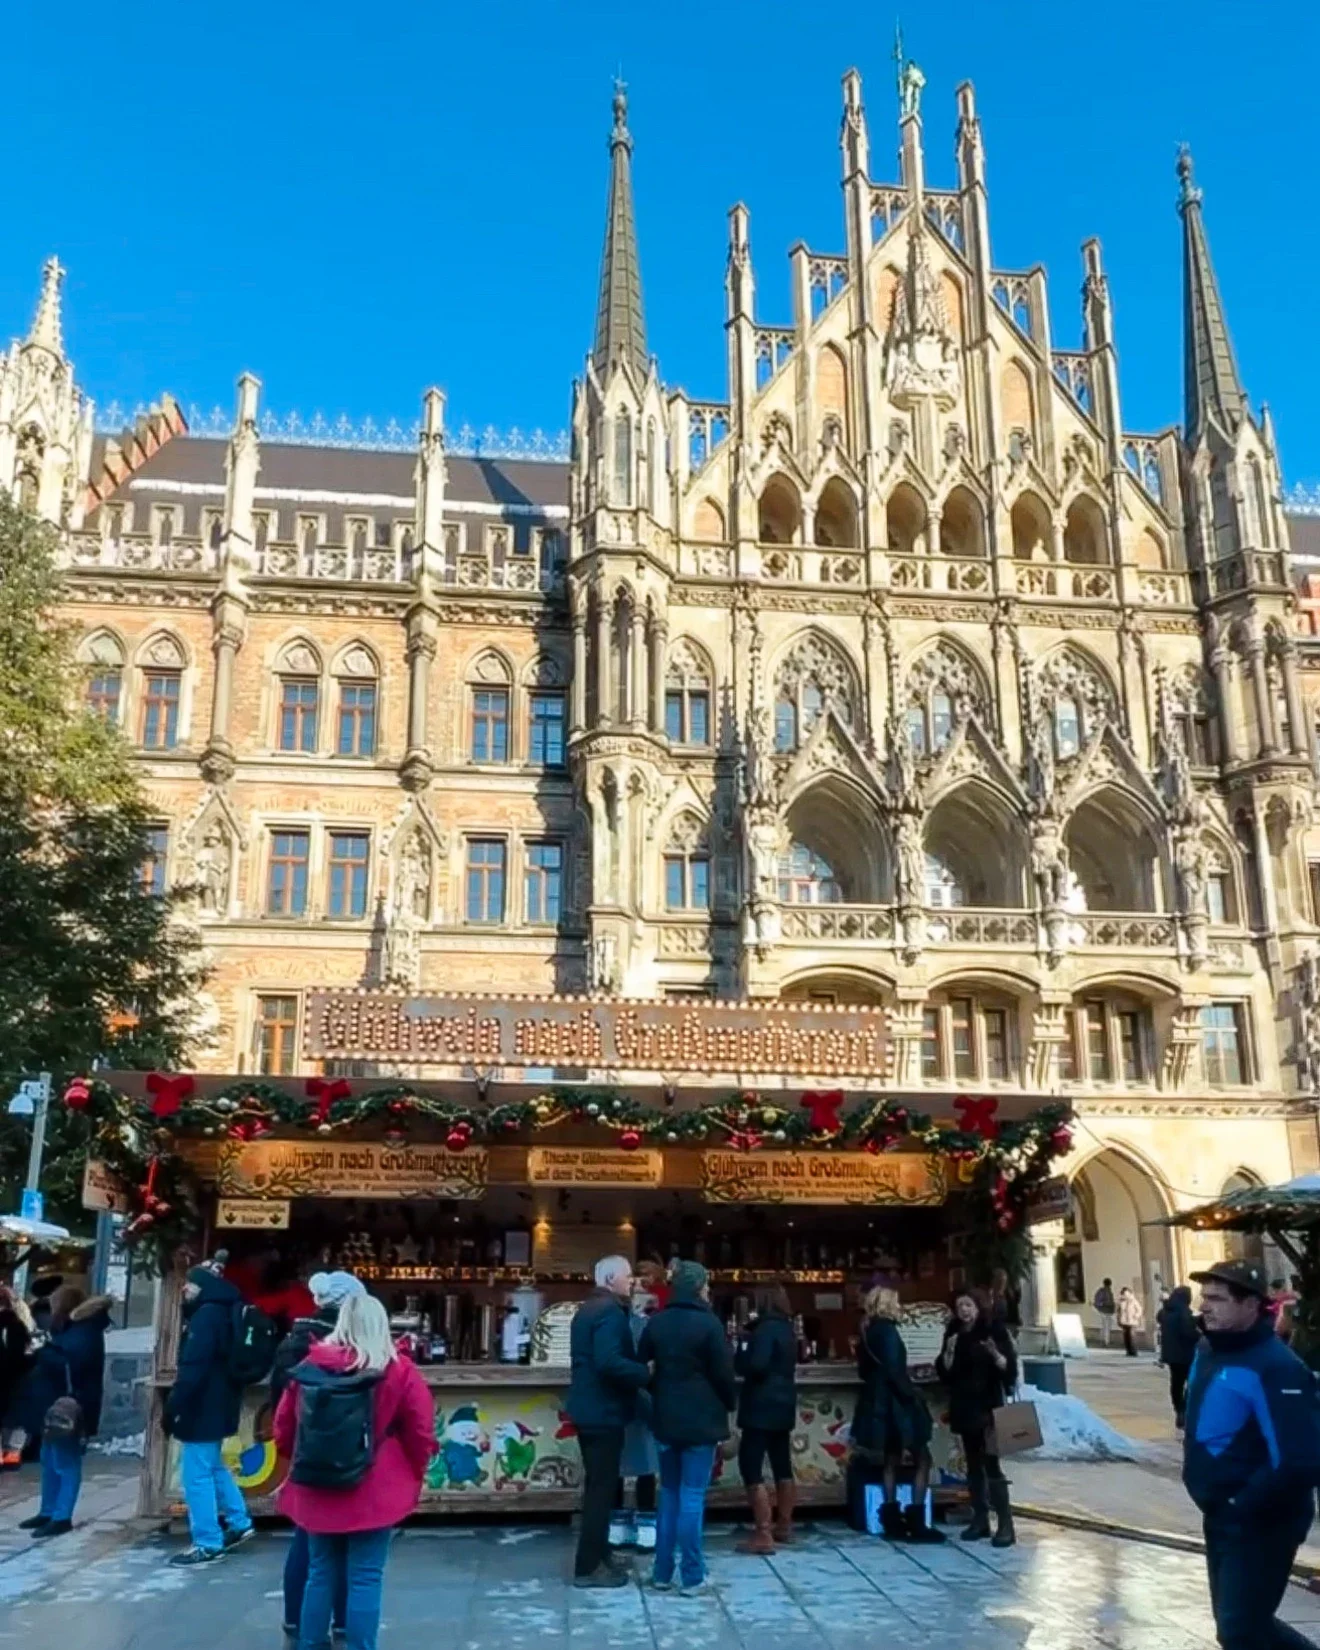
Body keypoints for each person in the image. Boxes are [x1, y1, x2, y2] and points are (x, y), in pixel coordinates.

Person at [274, 1293, 435, 1650]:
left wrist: (300, 1461)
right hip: (374, 1486)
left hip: (316, 1484)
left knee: (320, 1572)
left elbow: (284, 1427)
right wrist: (414, 1471)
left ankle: (310, 1644)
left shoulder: (310, 1366)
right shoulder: (397, 1369)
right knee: (365, 1576)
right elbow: (421, 1430)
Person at [1183, 1259, 1320, 1650]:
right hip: (1220, 1514)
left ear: (1250, 1305)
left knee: (1241, 1629)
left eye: (1217, 1299)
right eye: (1204, 1297)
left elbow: (1300, 1459)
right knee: (1238, 1628)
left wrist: (1239, 1503)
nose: (1205, 1306)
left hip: (1263, 1519)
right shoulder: (1208, 1349)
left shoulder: (1278, 1367)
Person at [272, 1272, 366, 1638]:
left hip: (304, 1455)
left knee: (308, 1538)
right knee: (343, 1544)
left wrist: (291, 1449)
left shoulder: (292, 1342)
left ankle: (297, 1619)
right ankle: (342, 1621)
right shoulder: (350, 1348)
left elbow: (281, 1410)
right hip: (344, 1456)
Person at [639, 1260, 737, 1595]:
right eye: (706, 1285)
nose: (708, 1290)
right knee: (692, 1495)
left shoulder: (657, 1322)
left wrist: (657, 1390)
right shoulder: (709, 1324)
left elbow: (641, 1364)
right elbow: (723, 1374)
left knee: (669, 1494)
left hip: (666, 1419)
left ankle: (662, 1571)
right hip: (702, 1421)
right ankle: (692, 1576)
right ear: (698, 1287)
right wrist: (730, 1404)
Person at [565, 1255, 649, 1589]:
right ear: (612, 1279)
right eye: (628, 1277)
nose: (632, 1282)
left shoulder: (588, 1309)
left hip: (589, 1409)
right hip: (603, 1411)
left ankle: (600, 1554)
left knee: (599, 1486)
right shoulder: (609, 1313)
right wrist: (644, 1372)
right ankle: (588, 1567)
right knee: (601, 1490)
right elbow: (609, 1361)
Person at [165, 1261, 255, 1566]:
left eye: (189, 1284)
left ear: (201, 1286)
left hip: (201, 1406)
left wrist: (175, 1404)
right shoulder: (228, 1310)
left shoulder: (205, 1317)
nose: (185, 1289)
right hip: (222, 1402)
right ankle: (239, 1521)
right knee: (214, 1466)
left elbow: (193, 1366)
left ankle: (207, 1541)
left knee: (196, 1475)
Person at [851, 1284, 944, 1544]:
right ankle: (917, 1520)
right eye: (896, 1302)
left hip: (877, 1401)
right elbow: (895, 1370)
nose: (899, 1306)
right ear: (888, 1304)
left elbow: (864, 1371)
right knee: (922, 1458)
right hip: (896, 1403)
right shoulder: (888, 1330)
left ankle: (891, 1519)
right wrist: (912, 1394)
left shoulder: (867, 1330)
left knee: (890, 1459)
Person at [17, 1286, 112, 1538]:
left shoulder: (85, 1330)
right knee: (49, 1459)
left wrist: (43, 1352)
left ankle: (61, 1516)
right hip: (54, 1403)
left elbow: (71, 1362)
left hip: (71, 1405)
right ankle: (48, 1510)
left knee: (65, 1461)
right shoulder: (72, 1328)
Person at [938, 1288, 1017, 1548]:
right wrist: (948, 1353)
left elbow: (1010, 1369)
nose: (963, 1310)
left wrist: (995, 1355)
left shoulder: (993, 1329)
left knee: (991, 1463)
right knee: (972, 1464)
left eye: (968, 1305)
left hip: (989, 1406)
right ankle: (980, 1519)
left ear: (978, 1307)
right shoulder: (954, 1331)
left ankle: (1005, 1524)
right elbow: (945, 1372)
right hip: (964, 1405)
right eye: (959, 1306)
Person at [734, 1284, 798, 1553]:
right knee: (782, 1463)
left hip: (760, 1405)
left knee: (751, 1464)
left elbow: (755, 1366)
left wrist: (742, 1347)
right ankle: (784, 1525)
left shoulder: (763, 1330)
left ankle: (763, 1533)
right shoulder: (787, 1328)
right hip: (784, 1402)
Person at [612, 1273, 661, 1552]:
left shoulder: (609, 1325)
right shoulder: (648, 1326)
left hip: (616, 1402)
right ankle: (646, 1527)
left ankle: (618, 1528)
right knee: (646, 1464)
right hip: (643, 1401)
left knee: (618, 1465)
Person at [1156, 1285, 1200, 1431]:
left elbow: (1160, 1319)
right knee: (1191, 1382)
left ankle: (1178, 1409)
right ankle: (1184, 1409)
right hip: (1186, 1354)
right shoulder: (1183, 1312)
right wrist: (1199, 1335)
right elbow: (1188, 1333)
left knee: (1176, 1383)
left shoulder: (1165, 1311)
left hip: (1171, 1354)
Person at [0, 1284, 34, 1468]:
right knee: (15, 1419)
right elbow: (23, 1354)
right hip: (16, 1379)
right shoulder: (17, 1325)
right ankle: (12, 1456)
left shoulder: (11, 1326)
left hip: (8, 1377)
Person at [1117, 1286, 1144, 1357]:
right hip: (1124, 1321)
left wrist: (1136, 1315)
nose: (1125, 1295)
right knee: (1126, 1337)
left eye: (1127, 1293)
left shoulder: (1134, 1301)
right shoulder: (1121, 1302)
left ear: (1130, 1293)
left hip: (1132, 1322)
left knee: (1132, 1336)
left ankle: (1134, 1351)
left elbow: (1139, 1309)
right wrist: (1119, 1319)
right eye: (1124, 1294)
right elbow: (1119, 1311)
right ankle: (1128, 1351)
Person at [1093, 1278, 1116, 1347]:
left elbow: (1097, 1302)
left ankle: (1104, 1340)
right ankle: (1106, 1341)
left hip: (1104, 1311)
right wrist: (1105, 1304)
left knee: (1105, 1326)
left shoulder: (1102, 1291)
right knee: (1107, 1326)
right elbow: (1099, 1302)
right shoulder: (1106, 1291)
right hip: (1106, 1311)